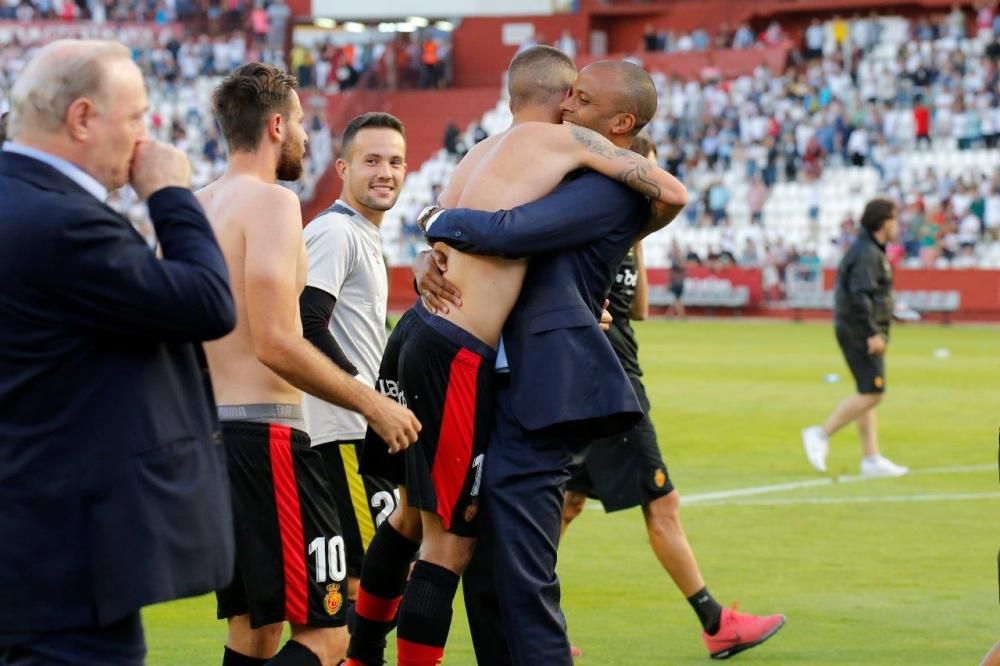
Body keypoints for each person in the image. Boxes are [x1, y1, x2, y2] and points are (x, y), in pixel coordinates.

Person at [347, 47, 686, 666]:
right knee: (449, 541)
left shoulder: (505, 157)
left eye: (585, 99)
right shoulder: (562, 153)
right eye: (572, 95)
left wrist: (433, 223)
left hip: (458, 354)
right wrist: (437, 235)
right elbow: (508, 236)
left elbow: (512, 234)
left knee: (432, 529)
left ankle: (363, 651)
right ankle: (364, 653)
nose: (572, 106)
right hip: (465, 356)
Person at [0, 39, 236, 665]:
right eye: (134, 118)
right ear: (81, 118)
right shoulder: (61, 222)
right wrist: (171, 196)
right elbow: (208, 302)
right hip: (66, 570)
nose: (143, 138)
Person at [197, 63, 420, 666]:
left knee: (255, 629)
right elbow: (279, 338)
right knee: (329, 632)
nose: (303, 135)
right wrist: (370, 401)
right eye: (298, 122)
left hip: (214, 435)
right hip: (268, 437)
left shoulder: (196, 208)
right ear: (275, 125)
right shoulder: (272, 202)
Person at [561, 135, 785, 660]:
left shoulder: (623, 232)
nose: (657, 185)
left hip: (601, 379)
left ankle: (525, 620)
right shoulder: (589, 229)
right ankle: (716, 623)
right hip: (610, 388)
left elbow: (638, 309)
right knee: (663, 504)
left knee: (566, 504)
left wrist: (639, 239)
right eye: (649, 173)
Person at [299, 112, 408, 619]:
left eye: (395, 161)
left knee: (374, 594)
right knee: (366, 599)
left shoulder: (363, 234)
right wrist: (366, 395)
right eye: (372, 161)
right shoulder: (336, 233)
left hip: (360, 430)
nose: (385, 171)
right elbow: (306, 321)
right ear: (342, 167)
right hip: (343, 433)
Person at [802, 198, 908, 478]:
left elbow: (869, 294)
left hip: (857, 328)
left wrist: (889, 313)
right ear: (884, 222)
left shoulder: (869, 250)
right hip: (859, 332)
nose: (898, 226)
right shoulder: (866, 253)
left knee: (866, 391)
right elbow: (860, 295)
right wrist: (873, 332)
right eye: (895, 219)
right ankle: (820, 434)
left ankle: (871, 459)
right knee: (874, 393)